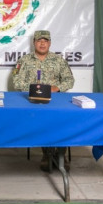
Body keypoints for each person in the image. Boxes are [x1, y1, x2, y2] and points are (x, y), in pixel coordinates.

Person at [12, 30, 75, 172]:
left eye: (45, 41)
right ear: (34, 42)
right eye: (39, 40)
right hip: (32, 101)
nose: (42, 43)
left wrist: (57, 88)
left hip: (55, 100)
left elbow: (69, 80)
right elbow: (16, 81)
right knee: (41, 122)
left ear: (50, 43)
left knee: (62, 121)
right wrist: (33, 89)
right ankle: (46, 154)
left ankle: (60, 154)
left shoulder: (58, 60)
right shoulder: (24, 61)